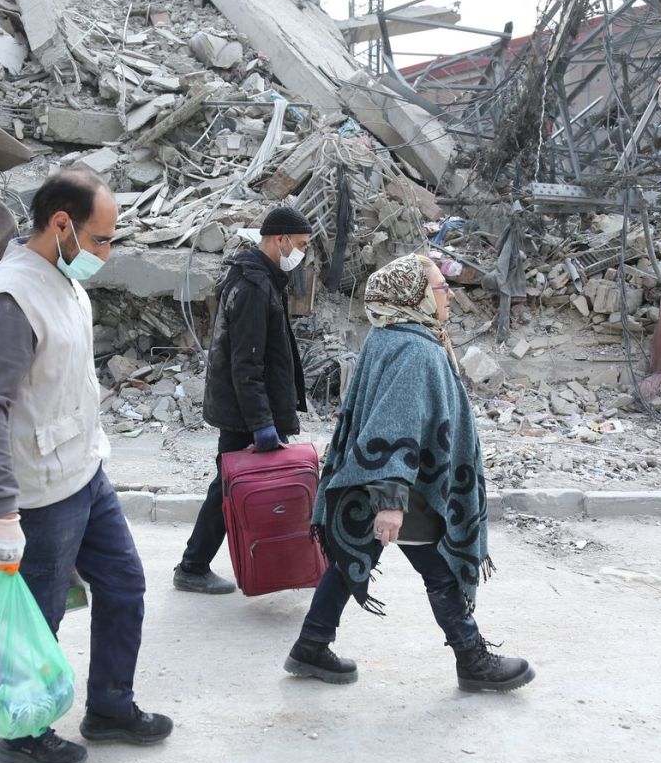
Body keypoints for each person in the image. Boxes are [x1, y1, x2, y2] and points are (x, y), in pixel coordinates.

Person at [0, 168, 172, 763]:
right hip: (40, 493)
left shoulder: (63, 278)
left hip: (84, 471)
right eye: (102, 239)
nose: (108, 252)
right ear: (61, 225)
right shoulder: (11, 300)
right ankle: (23, 733)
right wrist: (3, 512)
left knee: (124, 583)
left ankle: (110, 706)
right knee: (39, 619)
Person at [283, 253, 535, 693]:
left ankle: (311, 644)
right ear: (413, 296)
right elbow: (393, 429)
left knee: (350, 561)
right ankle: (472, 659)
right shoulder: (415, 351)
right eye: (440, 287)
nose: (450, 294)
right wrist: (391, 503)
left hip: (378, 481)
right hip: (407, 489)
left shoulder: (390, 336)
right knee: (439, 571)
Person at [173, 206, 311, 594]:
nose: (301, 253)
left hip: (244, 408)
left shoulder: (261, 276)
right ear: (279, 239)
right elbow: (246, 364)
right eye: (299, 245)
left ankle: (273, 565)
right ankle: (194, 566)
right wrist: (261, 423)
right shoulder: (253, 285)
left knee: (236, 487)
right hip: (244, 412)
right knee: (232, 489)